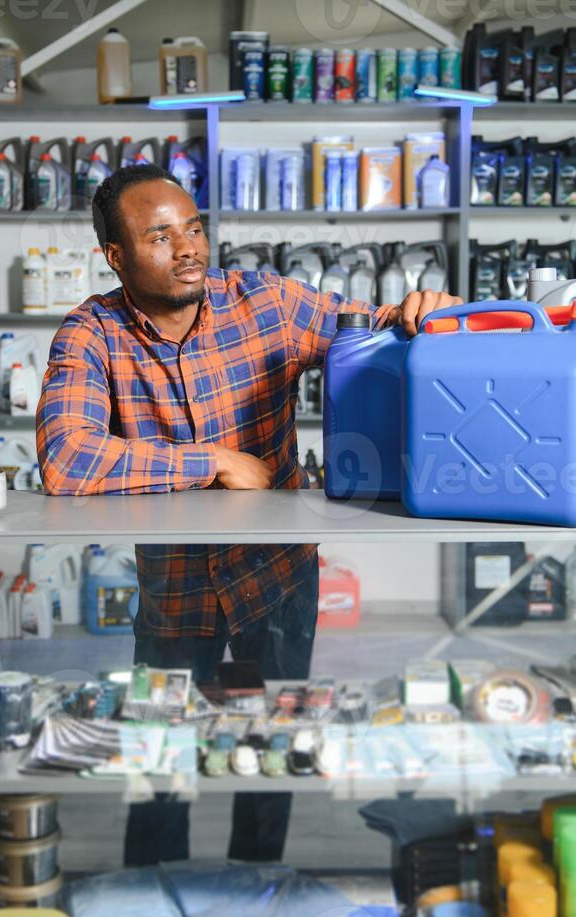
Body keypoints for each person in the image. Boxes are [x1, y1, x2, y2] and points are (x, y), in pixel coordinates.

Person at [36, 163, 462, 865]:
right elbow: (67, 459)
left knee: (276, 747)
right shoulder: (92, 333)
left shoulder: (264, 304)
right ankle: (154, 899)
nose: (189, 248)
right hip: (176, 594)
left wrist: (420, 309)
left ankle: (259, 891)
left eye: (195, 228)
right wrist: (211, 459)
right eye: (161, 236)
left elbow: (368, 330)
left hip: (278, 582)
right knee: (161, 761)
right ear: (116, 256)